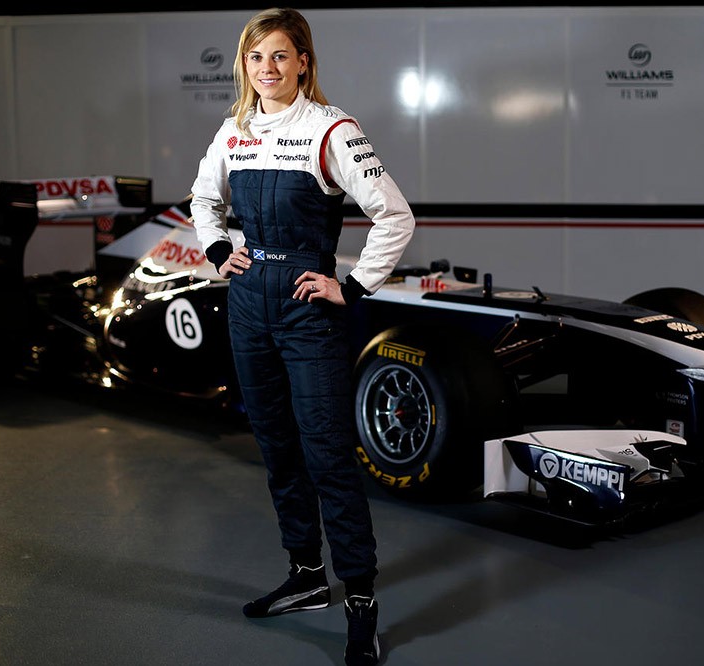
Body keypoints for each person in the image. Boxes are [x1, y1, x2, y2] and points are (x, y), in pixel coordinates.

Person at [188, 7, 415, 666]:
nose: (267, 68)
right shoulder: (234, 129)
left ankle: (361, 601)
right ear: (245, 64)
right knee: (277, 447)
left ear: (304, 61)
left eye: (281, 55)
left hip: (306, 307)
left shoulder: (332, 128)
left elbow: (394, 215)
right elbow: (203, 200)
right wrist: (218, 249)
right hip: (248, 304)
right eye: (256, 56)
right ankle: (307, 575)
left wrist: (355, 285)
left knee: (327, 454)